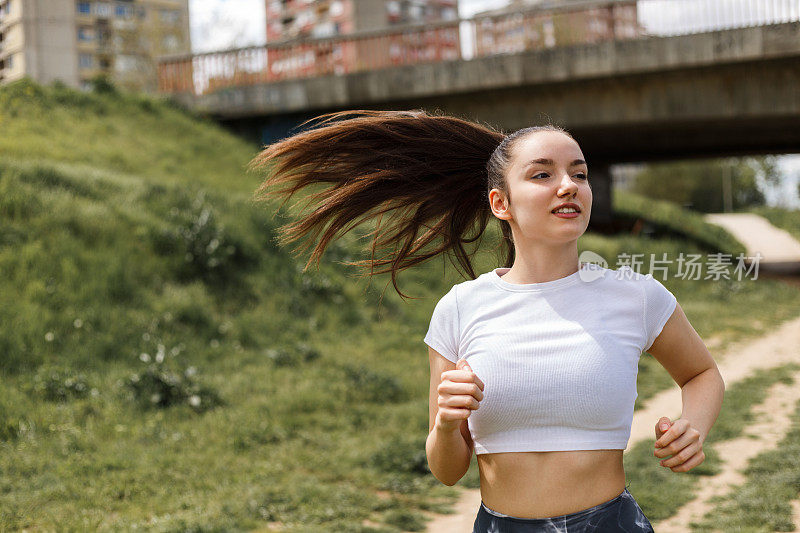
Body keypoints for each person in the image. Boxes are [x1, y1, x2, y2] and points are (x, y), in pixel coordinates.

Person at [248, 109, 726, 532]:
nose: (569, 185)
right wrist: (445, 425)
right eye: (542, 175)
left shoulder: (636, 296)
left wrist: (694, 428)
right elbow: (447, 469)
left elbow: (701, 374)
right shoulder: (460, 308)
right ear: (502, 203)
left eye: (579, 174)